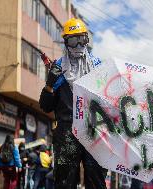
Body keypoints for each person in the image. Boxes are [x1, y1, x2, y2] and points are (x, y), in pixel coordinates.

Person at [39, 18, 106, 189]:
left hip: (94, 130)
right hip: (66, 133)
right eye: (72, 40)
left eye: (81, 39)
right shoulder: (59, 68)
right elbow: (45, 106)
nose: (77, 46)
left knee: (96, 179)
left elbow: (109, 102)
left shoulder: (99, 68)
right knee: (65, 182)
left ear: (87, 40)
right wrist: (49, 84)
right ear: (66, 43)